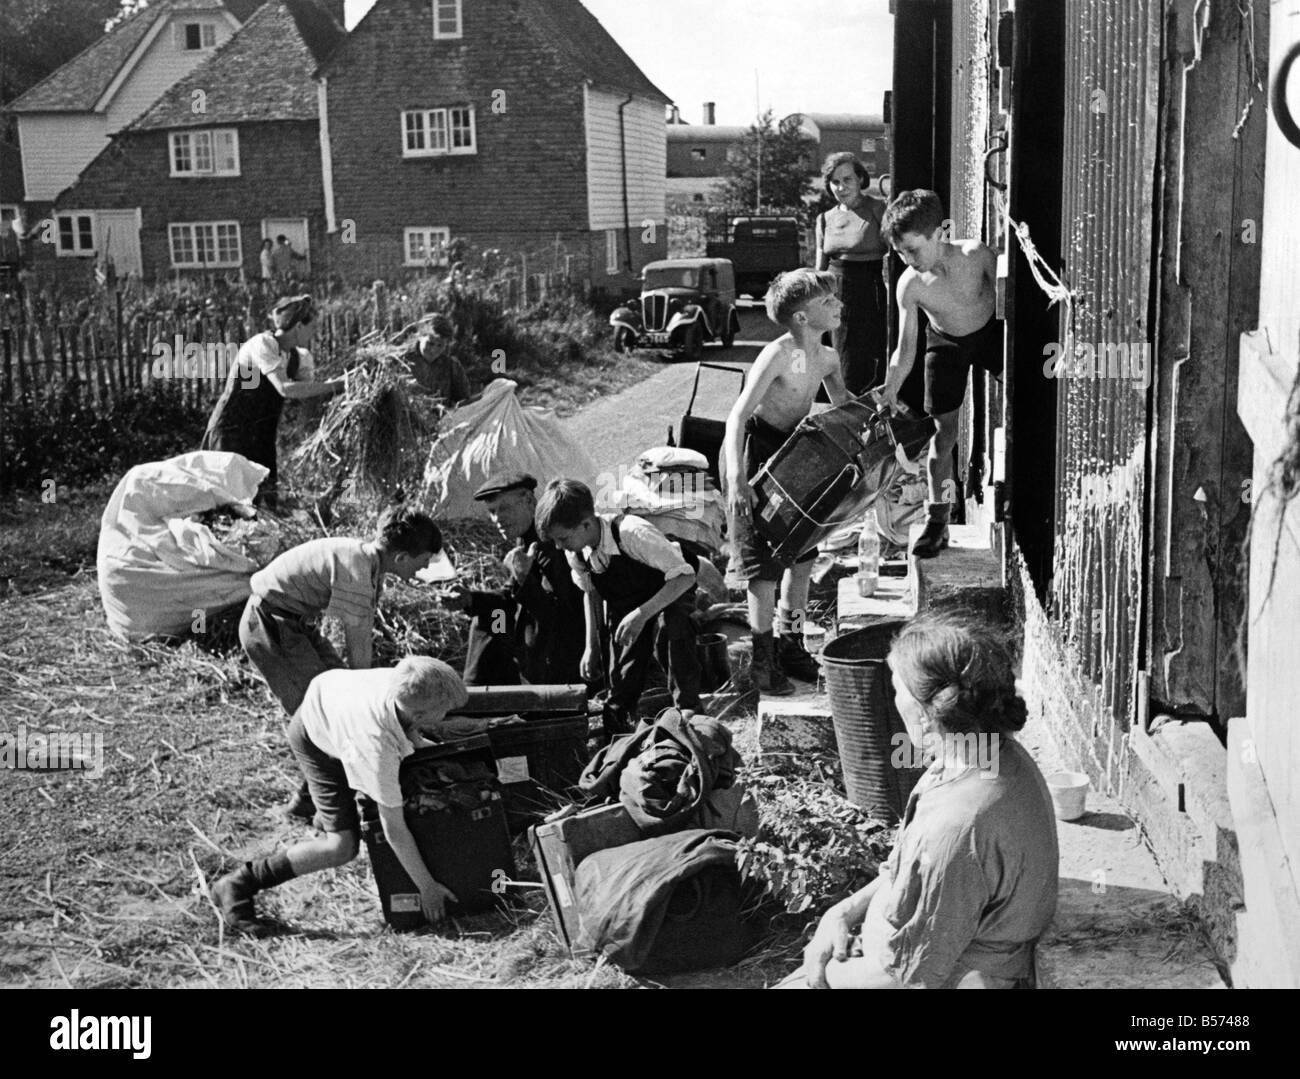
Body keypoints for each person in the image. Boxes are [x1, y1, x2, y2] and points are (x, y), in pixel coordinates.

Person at [784, 609, 1058, 988]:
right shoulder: (977, 753)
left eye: (896, 687)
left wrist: (821, 976)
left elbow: (911, 977)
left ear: (928, 711)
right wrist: (843, 913)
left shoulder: (961, 826)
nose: (894, 698)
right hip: (895, 959)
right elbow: (905, 873)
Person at [210, 656, 470, 936]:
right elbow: (393, 828)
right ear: (418, 714)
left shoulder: (404, 680)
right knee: (341, 846)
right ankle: (240, 882)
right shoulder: (374, 746)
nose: (446, 715)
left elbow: (407, 729)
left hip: (334, 702)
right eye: (444, 711)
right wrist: (427, 887)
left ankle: (317, 807)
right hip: (316, 735)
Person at [239, 505, 443, 817]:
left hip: (296, 624)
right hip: (269, 624)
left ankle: (324, 794)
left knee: (336, 702)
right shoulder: (357, 569)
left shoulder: (368, 564)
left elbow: (355, 638)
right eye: (423, 561)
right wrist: (374, 701)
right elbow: (358, 646)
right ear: (401, 558)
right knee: (320, 712)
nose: (424, 568)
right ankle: (319, 805)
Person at [722, 269, 852, 695]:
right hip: (760, 458)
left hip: (798, 457)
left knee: (802, 558)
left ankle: (791, 643)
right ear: (800, 317)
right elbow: (737, 417)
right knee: (764, 565)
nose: (838, 305)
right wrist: (738, 480)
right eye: (828, 301)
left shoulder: (828, 357)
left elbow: (844, 411)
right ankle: (762, 663)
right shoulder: (778, 354)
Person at [878, 190, 1002, 558]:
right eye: (900, 252)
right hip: (945, 342)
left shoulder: (976, 255)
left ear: (937, 235)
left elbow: (1012, 300)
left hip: (992, 334)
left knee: (1024, 405)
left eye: (913, 250)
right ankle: (939, 520)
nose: (907, 260)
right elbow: (905, 350)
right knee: (942, 436)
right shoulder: (911, 285)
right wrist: (889, 392)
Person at [535, 478, 702, 737]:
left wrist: (643, 614)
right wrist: (591, 647)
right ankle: (619, 729)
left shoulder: (631, 533)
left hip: (669, 589)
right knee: (623, 672)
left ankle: (689, 710)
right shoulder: (576, 551)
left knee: (671, 631)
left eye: (562, 538)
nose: (559, 546)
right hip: (628, 601)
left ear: (587, 524)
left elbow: (685, 576)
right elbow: (590, 593)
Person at [440, 471, 587, 687]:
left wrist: (525, 578)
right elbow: (508, 599)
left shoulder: (554, 540)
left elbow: (561, 618)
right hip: (525, 644)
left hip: (558, 659)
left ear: (528, 500)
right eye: (492, 511)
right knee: (492, 617)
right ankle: (477, 694)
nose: (497, 518)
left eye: (504, 508)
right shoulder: (525, 540)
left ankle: (483, 699)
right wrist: (470, 599)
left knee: (494, 618)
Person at [200, 294, 341, 509]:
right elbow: (285, 389)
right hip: (232, 431)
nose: (315, 332)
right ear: (298, 327)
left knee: (261, 504)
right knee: (226, 502)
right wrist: (336, 385)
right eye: (312, 327)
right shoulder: (261, 344)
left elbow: (308, 394)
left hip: (262, 436)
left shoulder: (300, 358)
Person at [815, 152, 890, 395]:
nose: (841, 187)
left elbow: (897, 251)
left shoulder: (878, 209)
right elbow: (820, 269)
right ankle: (843, 417)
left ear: (860, 179)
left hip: (869, 292)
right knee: (838, 358)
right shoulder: (824, 219)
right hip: (834, 295)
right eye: (835, 182)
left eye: (847, 179)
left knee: (864, 363)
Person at [401, 313, 472, 406]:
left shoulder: (452, 367)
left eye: (440, 345)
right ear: (420, 336)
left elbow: (464, 400)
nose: (433, 350)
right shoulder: (401, 361)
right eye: (430, 343)